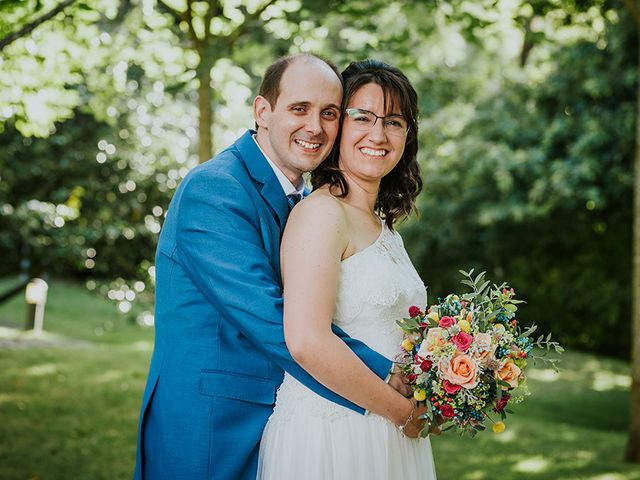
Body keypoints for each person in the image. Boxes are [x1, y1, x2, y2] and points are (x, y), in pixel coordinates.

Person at [133, 53, 424, 480]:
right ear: (262, 111)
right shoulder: (215, 189)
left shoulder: (305, 200)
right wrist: (388, 375)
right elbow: (274, 318)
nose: (315, 127)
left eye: (328, 113)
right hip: (212, 427)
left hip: (285, 416)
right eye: (299, 109)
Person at [257, 59, 437, 479]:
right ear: (339, 126)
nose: (378, 134)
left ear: (407, 137)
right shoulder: (320, 215)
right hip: (333, 435)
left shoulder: (384, 225)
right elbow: (305, 341)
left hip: (389, 433)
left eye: (393, 122)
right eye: (363, 117)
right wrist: (403, 413)